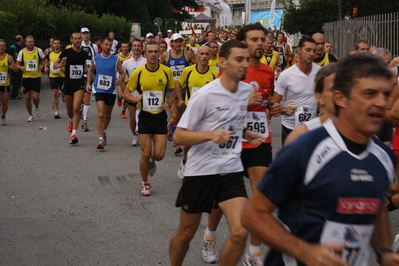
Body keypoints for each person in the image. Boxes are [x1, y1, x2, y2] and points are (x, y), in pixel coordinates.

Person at [241, 53, 399, 266]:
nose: (381, 103)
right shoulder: (305, 149)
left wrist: (384, 252)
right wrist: (305, 252)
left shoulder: (384, 156)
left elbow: (376, 206)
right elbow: (252, 214)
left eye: (386, 94)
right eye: (369, 94)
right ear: (340, 98)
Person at [169, 39, 264, 266]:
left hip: (230, 169)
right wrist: (210, 135)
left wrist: (247, 133)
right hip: (201, 171)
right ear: (222, 62)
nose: (244, 64)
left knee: (241, 232)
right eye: (238, 59)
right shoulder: (206, 95)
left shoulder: (244, 90)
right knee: (186, 232)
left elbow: (231, 120)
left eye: (246, 60)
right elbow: (179, 136)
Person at [201, 24, 282, 266]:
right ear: (242, 44)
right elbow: (218, 105)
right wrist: (243, 102)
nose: (260, 43)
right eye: (254, 39)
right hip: (232, 142)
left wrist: (273, 106)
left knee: (261, 196)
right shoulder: (232, 72)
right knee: (220, 199)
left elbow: (268, 101)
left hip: (259, 141)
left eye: (262, 39)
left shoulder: (268, 72)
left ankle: (253, 253)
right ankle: (210, 237)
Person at [124, 41, 175, 196]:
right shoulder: (138, 73)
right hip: (144, 116)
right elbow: (126, 91)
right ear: (145, 54)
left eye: (156, 52)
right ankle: (145, 183)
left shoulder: (167, 71)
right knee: (145, 153)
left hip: (159, 116)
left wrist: (169, 103)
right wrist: (134, 99)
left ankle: (151, 162)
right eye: (150, 52)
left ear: (160, 53)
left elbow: (173, 90)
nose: (153, 54)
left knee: (158, 155)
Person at [175, 45, 219, 180]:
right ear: (197, 56)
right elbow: (178, 84)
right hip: (191, 111)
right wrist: (180, 99)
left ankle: (205, 168)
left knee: (207, 141)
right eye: (202, 54)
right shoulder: (188, 71)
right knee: (189, 142)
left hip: (208, 114)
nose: (204, 56)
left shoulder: (215, 74)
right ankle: (185, 162)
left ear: (210, 55)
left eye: (207, 54)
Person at [273, 37, 320, 145]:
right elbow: (274, 104)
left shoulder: (320, 72)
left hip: (312, 126)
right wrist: (285, 110)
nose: (312, 54)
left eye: (314, 51)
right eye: (308, 50)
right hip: (290, 127)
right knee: (290, 161)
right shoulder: (286, 75)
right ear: (298, 50)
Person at [284, 63, 338, 146]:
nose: (340, 93)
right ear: (320, 97)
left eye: (344, 88)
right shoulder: (299, 135)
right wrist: (284, 110)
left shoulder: (359, 130)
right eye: (333, 89)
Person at [86, 37, 125, 149]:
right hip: (99, 88)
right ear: (101, 45)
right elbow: (90, 70)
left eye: (110, 45)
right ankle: (100, 139)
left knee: (107, 115)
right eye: (106, 44)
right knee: (101, 114)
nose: (108, 47)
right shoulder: (96, 58)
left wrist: (120, 80)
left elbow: (122, 73)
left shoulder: (115, 59)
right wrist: (88, 83)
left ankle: (103, 131)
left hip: (111, 90)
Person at [160, 33, 196, 155]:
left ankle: (171, 126)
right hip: (171, 90)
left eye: (180, 41)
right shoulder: (166, 55)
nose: (179, 44)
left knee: (180, 117)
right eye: (176, 41)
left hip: (184, 89)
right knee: (175, 115)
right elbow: (160, 69)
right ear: (172, 43)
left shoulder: (188, 54)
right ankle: (177, 145)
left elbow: (197, 66)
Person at [54, 32, 88, 144]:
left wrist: (88, 73)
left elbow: (84, 67)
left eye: (79, 38)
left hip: (79, 83)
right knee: (69, 110)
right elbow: (55, 65)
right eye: (75, 39)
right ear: (71, 40)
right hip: (68, 83)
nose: (78, 40)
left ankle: (74, 134)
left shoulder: (84, 53)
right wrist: (61, 65)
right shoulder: (66, 52)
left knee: (76, 107)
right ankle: (70, 119)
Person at [122, 39, 146, 146]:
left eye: (138, 46)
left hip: (144, 93)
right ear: (132, 48)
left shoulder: (146, 61)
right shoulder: (126, 63)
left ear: (142, 48)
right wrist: (123, 92)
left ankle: (144, 134)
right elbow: (122, 78)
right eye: (135, 46)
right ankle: (134, 136)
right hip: (131, 92)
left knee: (143, 115)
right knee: (132, 116)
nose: (136, 47)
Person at [16, 35, 46, 122]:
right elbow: (17, 63)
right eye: (29, 42)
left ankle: (36, 106)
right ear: (25, 43)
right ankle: (30, 114)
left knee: (35, 97)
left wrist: (42, 66)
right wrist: (20, 67)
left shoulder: (38, 50)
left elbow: (44, 60)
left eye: (32, 41)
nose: (31, 43)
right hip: (26, 77)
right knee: (27, 97)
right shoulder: (22, 52)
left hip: (36, 77)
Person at [80, 27, 98, 132]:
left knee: (87, 97)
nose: (85, 35)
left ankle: (85, 121)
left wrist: (95, 73)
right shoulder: (77, 45)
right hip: (79, 75)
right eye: (84, 33)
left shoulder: (94, 46)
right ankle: (81, 107)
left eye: (87, 33)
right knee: (80, 97)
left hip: (89, 75)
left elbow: (95, 60)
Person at [0, 39, 22, 125]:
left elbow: (16, 70)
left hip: (5, 83)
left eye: (3, 46)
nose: (1, 47)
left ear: (5, 47)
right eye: (0, 45)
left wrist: (12, 67)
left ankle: (3, 116)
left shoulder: (8, 57)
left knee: (5, 102)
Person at [45, 37, 64, 119]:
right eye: (55, 43)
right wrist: (46, 67)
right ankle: (56, 112)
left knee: (64, 93)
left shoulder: (64, 53)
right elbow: (47, 63)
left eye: (58, 43)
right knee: (54, 93)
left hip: (62, 76)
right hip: (53, 76)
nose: (56, 45)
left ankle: (62, 95)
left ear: (60, 45)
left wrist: (64, 68)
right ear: (52, 44)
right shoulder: (49, 54)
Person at [116, 41, 131, 119]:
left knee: (126, 96)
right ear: (121, 48)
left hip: (128, 79)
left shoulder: (131, 56)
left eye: (126, 47)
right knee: (121, 95)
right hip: (119, 78)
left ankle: (123, 111)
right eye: (123, 47)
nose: (125, 48)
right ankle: (119, 98)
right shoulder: (116, 57)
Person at [8, 35, 23, 100]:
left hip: (19, 65)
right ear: (20, 40)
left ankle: (16, 93)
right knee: (16, 80)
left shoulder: (18, 47)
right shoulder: (13, 47)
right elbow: (9, 55)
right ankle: (14, 94)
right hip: (15, 66)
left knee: (18, 80)